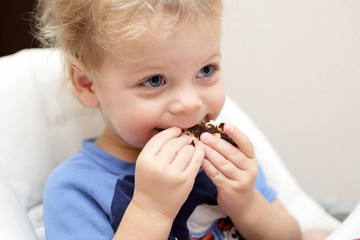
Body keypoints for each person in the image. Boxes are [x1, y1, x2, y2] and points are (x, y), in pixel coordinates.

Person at [36, 0, 302, 239]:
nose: (190, 103)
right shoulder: (77, 189)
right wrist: (150, 210)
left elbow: (292, 237)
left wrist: (246, 202)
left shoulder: (225, 156)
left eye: (205, 70)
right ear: (87, 84)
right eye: (154, 80)